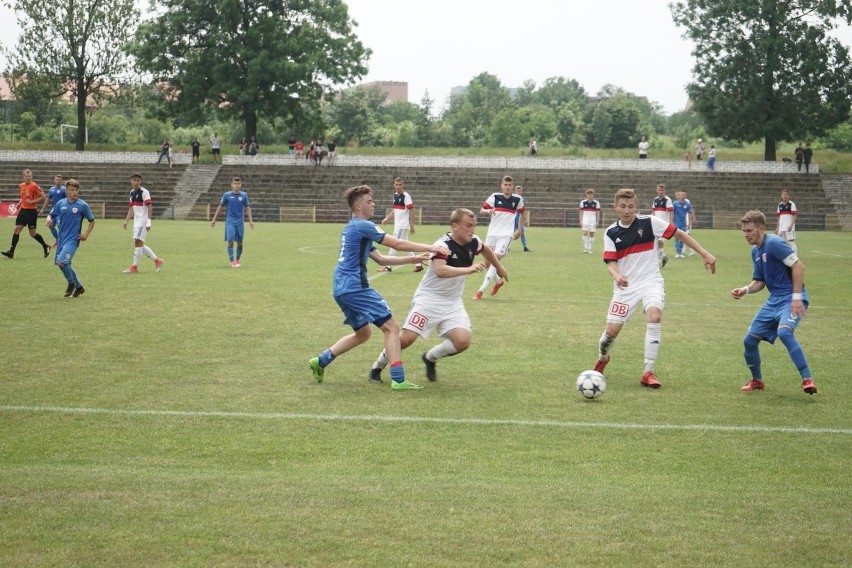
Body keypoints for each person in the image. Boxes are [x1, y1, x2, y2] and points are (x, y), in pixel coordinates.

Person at [307, 184, 449, 391]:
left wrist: (414, 260)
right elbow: (397, 244)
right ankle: (398, 379)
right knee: (392, 328)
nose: (373, 204)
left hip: (341, 288)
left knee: (363, 334)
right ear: (358, 206)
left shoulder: (352, 227)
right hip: (356, 287)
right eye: (369, 201)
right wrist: (431, 247)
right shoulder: (364, 226)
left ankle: (321, 361)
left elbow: (382, 259)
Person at [591, 188, 716, 389]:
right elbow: (610, 262)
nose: (627, 210)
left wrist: (705, 254)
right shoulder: (611, 233)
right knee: (611, 332)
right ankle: (603, 358)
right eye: (622, 206)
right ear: (615, 207)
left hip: (651, 281)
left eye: (631, 206)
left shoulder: (649, 222)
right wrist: (617, 275)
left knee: (655, 316)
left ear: (636, 207)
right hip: (626, 287)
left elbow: (680, 234)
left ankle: (647, 372)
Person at [369, 208, 508, 384]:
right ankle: (377, 367)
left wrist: (499, 267)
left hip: (452, 302)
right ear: (455, 226)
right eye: (468, 226)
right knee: (405, 339)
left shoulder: (474, 241)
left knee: (462, 341)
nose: (472, 230)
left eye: (473, 226)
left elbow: (486, 249)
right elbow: (441, 271)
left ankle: (430, 357)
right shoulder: (442, 245)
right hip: (428, 300)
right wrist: (468, 269)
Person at [731, 210, 816, 395]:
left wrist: (796, 298)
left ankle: (807, 379)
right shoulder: (756, 251)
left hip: (792, 297)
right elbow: (759, 282)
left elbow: (798, 266)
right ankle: (757, 381)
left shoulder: (774, 242)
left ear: (762, 228)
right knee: (749, 341)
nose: (746, 234)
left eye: (749, 230)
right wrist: (745, 289)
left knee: (785, 332)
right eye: (744, 231)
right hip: (774, 301)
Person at [473, 175, 524, 300]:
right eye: (505, 185)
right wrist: (488, 211)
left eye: (509, 185)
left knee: (494, 260)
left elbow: (522, 213)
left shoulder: (517, 199)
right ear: (501, 186)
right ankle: (498, 282)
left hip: (506, 235)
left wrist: (518, 230)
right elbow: (481, 210)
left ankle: (480, 291)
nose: (507, 187)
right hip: (492, 234)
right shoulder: (495, 197)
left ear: (512, 186)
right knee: (487, 262)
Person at [46, 179, 95, 298]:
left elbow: (92, 221)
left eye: (76, 190)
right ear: (67, 191)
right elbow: (51, 214)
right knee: (63, 264)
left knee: (62, 262)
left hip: (73, 240)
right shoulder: (61, 203)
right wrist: (48, 219)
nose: (74, 192)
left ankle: (71, 283)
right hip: (61, 239)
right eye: (72, 190)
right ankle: (79, 287)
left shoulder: (82, 205)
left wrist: (86, 234)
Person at [1, 168, 51, 259]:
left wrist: (32, 201)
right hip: (23, 211)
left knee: (32, 234)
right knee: (16, 230)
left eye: (30, 176)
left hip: (31, 212)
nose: (28, 178)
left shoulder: (34, 186)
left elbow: (43, 197)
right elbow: (23, 197)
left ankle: (45, 246)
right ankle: (11, 252)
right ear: (23, 177)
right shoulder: (21, 185)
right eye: (27, 176)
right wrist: (19, 203)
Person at [122, 173, 165, 273]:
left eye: (138, 180)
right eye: (134, 180)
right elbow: (131, 208)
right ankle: (157, 261)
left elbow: (150, 206)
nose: (136, 182)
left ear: (140, 182)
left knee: (138, 242)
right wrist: (126, 220)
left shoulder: (144, 192)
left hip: (143, 221)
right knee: (138, 243)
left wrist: (149, 221)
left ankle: (134, 267)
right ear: (131, 181)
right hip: (137, 222)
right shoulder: (132, 193)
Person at [377, 177, 422, 273]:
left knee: (393, 245)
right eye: (396, 185)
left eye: (400, 184)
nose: (398, 186)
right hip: (398, 226)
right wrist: (387, 219)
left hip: (402, 226)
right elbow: (395, 210)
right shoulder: (395, 196)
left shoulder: (406, 196)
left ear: (403, 185)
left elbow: (412, 210)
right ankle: (418, 264)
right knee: (405, 246)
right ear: (394, 185)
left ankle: (388, 267)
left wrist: (412, 225)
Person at [210, 176, 255, 268]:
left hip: (240, 222)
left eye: (238, 184)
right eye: (235, 183)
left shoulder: (244, 196)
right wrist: (214, 219)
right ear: (232, 185)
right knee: (230, 241)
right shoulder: (227, 195)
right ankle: (232, 262)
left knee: (240, 243)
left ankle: (237, 260)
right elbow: (220, 207)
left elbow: (248, 208)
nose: (237, 185)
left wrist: (251, 221)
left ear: (240, 185)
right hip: (230, 221)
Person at [39, 175, 67, 248]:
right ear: (54, 180)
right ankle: (58, 240)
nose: (58, 181)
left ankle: (61, 241)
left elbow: (66, 200)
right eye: (57, 179)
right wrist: (42, 209)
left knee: (60, 226)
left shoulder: (64, 190)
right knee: (50, 225)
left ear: (61, 181)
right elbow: (48, 200)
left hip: (61, 211)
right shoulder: (51, 189)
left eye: (59, 180)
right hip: (54, 211)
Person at [651, 183, 673, 267]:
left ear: (664, 190)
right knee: (655, 243)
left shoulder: (668, 200)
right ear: (657, 190)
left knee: (660, 242)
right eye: (659, 190)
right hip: (655, 225)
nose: (660, 191)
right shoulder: (655, 200)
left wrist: (671, 223)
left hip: (664, 225)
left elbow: (671, 212)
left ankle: (658, 263)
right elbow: (653, 211)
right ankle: (663, 257)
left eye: (662, 190)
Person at [672, 191, 695, 258]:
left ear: (686, 196)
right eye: (681, 195)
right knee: (676, 237)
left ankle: (680, 252)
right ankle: (677, 252)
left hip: (684, 223)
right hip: (677, 223)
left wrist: (689, 223)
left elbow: (690, 213)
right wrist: (672, 222)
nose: (683, 196)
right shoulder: (675, 204)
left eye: (684, 195)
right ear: (679, 196)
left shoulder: (687, 204)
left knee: (682, 238)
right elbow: (673, 213)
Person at [579, 188, 601, 254]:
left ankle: (590, 248)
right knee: (585, 232)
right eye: (589, 194)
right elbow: (581, 211)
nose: (590, 195)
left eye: (591, 194)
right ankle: (585, 248)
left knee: (592, 233)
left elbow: (598, 213)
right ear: (586, 195)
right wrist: (581, 220)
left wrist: (597, 221)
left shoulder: (596, 203)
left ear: (593, 195)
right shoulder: (583, 202)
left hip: (593, 220)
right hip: (585, 220)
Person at [514, 185, 531, 252]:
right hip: (512, 219)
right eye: (517, 191)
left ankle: (525, 247)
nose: (518, 192)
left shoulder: (522, 199)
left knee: (522, 233)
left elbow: (523, 211)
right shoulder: (512, 198)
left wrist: (525, 219)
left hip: (519, 219)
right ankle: (507, 247)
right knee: (510, 233)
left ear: (521, 191)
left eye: (520, 191)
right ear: (515, 191)